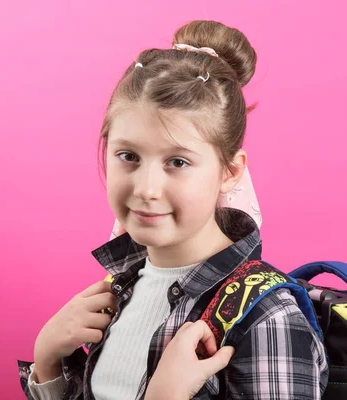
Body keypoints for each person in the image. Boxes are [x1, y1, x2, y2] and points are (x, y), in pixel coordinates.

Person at [18, 20, 328, 400]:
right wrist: (47, 363)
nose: (146, 189)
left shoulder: (267, 318)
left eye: (177, 162)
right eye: (128, 156)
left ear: (230, 172)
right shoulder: (121, 292)